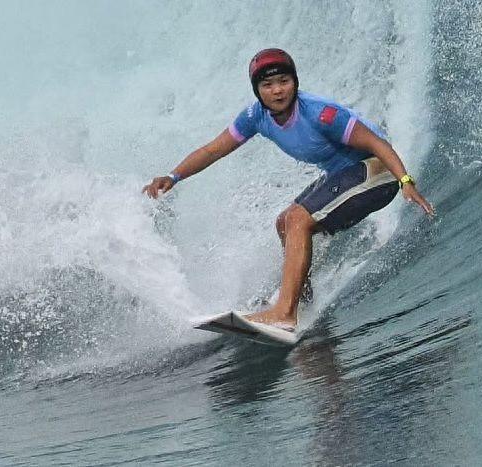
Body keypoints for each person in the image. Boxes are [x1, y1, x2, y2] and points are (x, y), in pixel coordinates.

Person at [143, 47, 436, 334]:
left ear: (295, 82)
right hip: (345, 175)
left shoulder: (321, 114)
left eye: (284, 81)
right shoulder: (255, 116)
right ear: (257, 90)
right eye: (267, 85)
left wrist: (405, 182)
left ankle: (285, 313)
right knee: (284, 222)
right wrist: (173, 176)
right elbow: (212, 150)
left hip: (378, 172)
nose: (278, 90)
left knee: (298, 219)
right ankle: (302, 300)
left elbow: (377, 143)